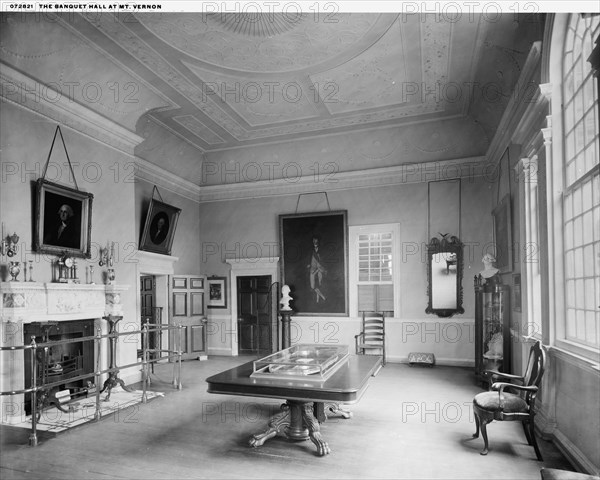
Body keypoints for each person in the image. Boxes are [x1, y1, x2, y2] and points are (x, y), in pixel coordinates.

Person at [306, 234, 327, 303]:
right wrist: (308, 264)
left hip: (320, 267)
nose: (315, 241)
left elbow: (323, 259)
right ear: (312, 241)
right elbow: (308, 258)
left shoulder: (322, 249)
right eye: (314, 240)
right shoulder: (310, 249)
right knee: (313, 286)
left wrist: (322, 267)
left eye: (316, 240)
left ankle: (318, 300)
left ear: (318, 241)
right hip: (313, 266)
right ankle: (322, 297)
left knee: (319, 284)